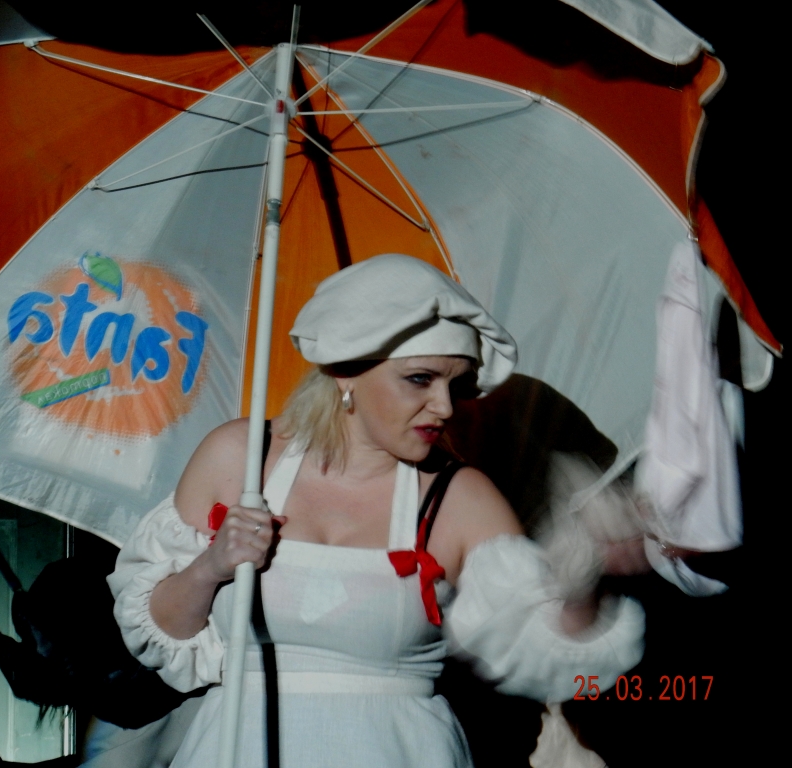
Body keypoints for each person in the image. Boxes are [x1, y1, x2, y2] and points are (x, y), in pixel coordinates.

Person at [109, 254, 644, 767]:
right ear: (345, 372)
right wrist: (210, 567)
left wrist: (580, 591)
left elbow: (543, 661)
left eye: (456, 384)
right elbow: (159, 636)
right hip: (237, 749)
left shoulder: (459, 497)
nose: (444, 406)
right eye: (420, 379)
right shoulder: (240, 459)